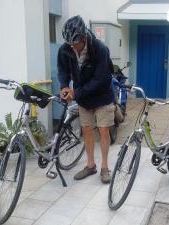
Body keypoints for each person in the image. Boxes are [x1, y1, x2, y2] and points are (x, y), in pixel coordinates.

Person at [57, 15, 115, 183]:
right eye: (69, 44)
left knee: (103, 130)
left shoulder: (99, 49)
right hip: (84, 98)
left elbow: (101, 79)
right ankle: (91, 166)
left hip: (102, 96)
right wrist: (64, 87)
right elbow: (62, 69)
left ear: (83, 38)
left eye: (75, 43)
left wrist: (76, 93)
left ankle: (104, 167)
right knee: (87, 130)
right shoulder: (66, 48)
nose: (72, 47)